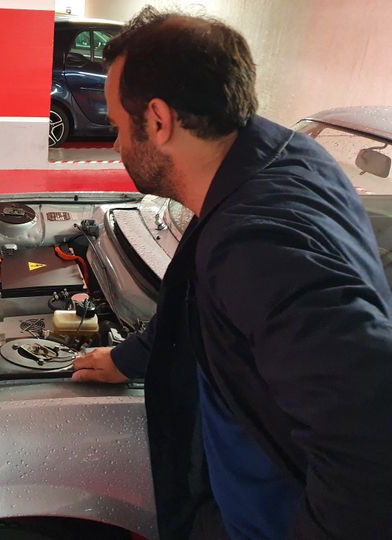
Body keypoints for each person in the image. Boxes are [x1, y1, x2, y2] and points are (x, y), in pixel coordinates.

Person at [72, 7, 392, 540]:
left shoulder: (259, 247)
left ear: (157, 119)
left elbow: (374, 440)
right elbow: (204, 301)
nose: (115, 144)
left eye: (116, 126)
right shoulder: (288, 156)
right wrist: (129, 358)